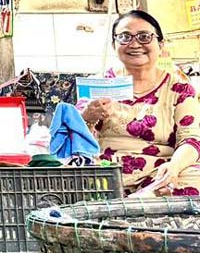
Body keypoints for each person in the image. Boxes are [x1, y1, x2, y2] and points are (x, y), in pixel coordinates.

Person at [81, 10, 200, 196]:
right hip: (107, 173)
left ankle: (134, 203)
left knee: (193, 180)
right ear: (114, 45)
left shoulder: (179, 89)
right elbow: (77, 143)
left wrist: (174, 167)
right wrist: (87, 118)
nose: (135, 44)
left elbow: (191, 140)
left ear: (160, 45)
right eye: (125, 37)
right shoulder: (97, 84)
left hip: (161, 171)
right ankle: (136, 203)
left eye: (144, 37)